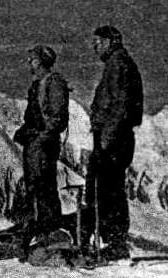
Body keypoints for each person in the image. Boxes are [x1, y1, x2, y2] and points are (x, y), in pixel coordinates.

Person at [82, 26, 143, 260]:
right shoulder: (117, 63)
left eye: (98, 42)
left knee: (109, 189)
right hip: (114, 136)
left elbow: (121, 106)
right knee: (107, 188)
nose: (94, 47)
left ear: (111, 41)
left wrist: (107, 138)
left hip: (114, 138)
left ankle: (115, 243)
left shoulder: (118, 64)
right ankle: (112, 241)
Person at [13, 45, 69, 261]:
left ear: (42, 61)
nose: (30, 63)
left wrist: (42, 137)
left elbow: (57, 117)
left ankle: (50, 232)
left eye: (33, 59)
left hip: (43, 143)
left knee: (44, 186)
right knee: (35, 186)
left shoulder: (54, 83)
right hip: (35, 142)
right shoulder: (37, 85)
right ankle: (40, 232)